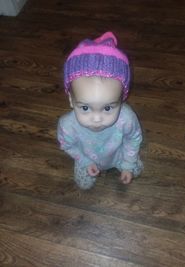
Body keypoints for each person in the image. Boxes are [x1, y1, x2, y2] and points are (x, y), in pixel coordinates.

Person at [57, 32, 143, 190]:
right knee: (83, 185)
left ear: (122, 98)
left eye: (108, 108)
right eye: (85, 108)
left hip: (119, 155)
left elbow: (133, 139)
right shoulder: (67, 125)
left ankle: (126, 164)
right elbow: (68, 146)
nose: (97, 119)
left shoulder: (127, 118)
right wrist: (84, 161)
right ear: (71, 99)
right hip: (87, 158)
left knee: (135, 170)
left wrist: (128, 164)